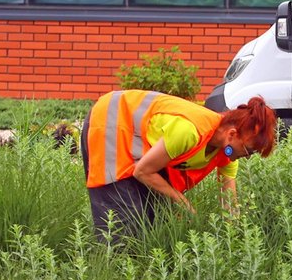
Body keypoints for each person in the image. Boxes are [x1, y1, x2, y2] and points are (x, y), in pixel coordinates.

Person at [81, 89, 276, 238]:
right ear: (232, 135)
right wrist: (183, 202)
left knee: (156, 219)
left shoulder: (227, 153)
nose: (248, 156)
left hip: (138, 141)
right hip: (111, 122)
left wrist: (234, 236)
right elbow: (143, 172)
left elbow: (229, 201)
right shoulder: (189, 132)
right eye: (249, 150)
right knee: (123, 223)